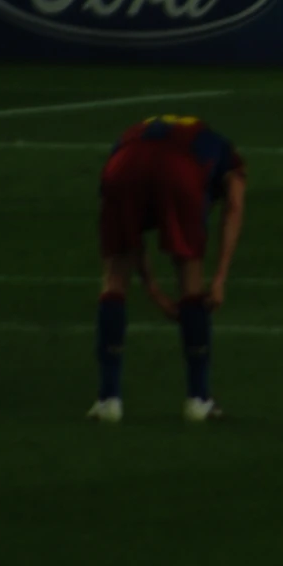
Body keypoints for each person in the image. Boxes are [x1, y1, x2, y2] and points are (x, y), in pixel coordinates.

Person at [87, 113, 247, 426]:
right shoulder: (228, 156)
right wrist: (219, 279)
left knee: (114, 280)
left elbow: (132, 243)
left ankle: (108, 400)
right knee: (190, 282)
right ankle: (198, 400)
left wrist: (154, 291)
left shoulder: (139, 132)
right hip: (180, 170)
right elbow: (234, 208)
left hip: (122, 165)